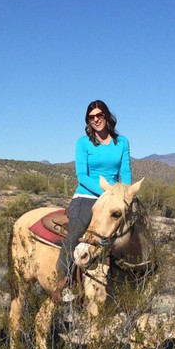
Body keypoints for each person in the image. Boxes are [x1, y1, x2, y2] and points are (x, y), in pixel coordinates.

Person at [57, 100, 132, 301]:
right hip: (87, 196)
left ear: (107, 117)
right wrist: (106, 193)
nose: (96, 119)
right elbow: (82, 175)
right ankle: (63, 281)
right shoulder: (83, 143)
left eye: (99, 115)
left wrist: (126, 195)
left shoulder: (122, 142)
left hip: (114, 197)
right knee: (76, 233)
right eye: (91, 117)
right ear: (88, 121)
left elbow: (124, 172)